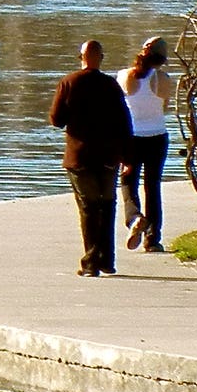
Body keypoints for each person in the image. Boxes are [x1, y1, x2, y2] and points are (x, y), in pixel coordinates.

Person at [48, 39, 133, 278]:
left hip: (80, 156)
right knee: (107, 206)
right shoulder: (111, 86)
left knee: (88, 207)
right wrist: (127, 156)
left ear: (81, 58)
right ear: (100, 58)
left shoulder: (69, 82)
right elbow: (124, 122)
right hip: (108, 156)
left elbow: (56, 119)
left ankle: (90, 263)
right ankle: (107, 260)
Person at [118, 37, 172, 254]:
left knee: (128, 182)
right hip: (157, 136)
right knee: (153, 186)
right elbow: (165, 106)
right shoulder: (163, 79)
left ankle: (134, 218)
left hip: (132, 137)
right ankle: (153, 239)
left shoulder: (123, 76)